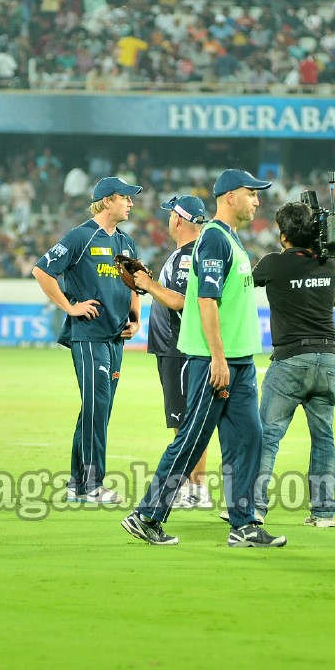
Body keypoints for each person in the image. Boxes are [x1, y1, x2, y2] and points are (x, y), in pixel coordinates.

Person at [122, 169, 287, 548]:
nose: (257, 201)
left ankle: (244, 524)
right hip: (215, 359)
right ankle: (147, 516)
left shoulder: (229, 239)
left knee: (249, 438)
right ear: (230, 196)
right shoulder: (214, 239)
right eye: (251, 194)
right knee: (192, 439)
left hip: (240, 359)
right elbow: (205, 301)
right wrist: (217, 357)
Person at [32, 176, 143, 504]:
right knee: (96, 407)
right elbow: (42, 271)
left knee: (99, 409)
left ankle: (77, 483)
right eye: (125, 198)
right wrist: (69, 306)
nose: (131, 203)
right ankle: (93, 484)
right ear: (107, 200)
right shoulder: (81, 236)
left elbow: (136, 282)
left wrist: (136, 319)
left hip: (115, 337)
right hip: (89, 335)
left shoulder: (126, 242)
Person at [252, 202, 335, 529]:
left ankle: (254, 508)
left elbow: (248, 283)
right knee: (324, 437)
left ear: (282, 235)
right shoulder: (331, 265)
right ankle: (324, 513)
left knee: (267, 435)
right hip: (327, 360)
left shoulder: (272, 265)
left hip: (290, 360)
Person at [132, 195, 211, 509]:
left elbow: (179, 301)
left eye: (170, 215)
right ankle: (194, 488)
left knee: (185, 422)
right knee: (189, 420)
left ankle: (193, 489)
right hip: (181, 349)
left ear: (178, 220)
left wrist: (148, 285)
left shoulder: (185, 257)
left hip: (179, 349)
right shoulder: (193, 253)